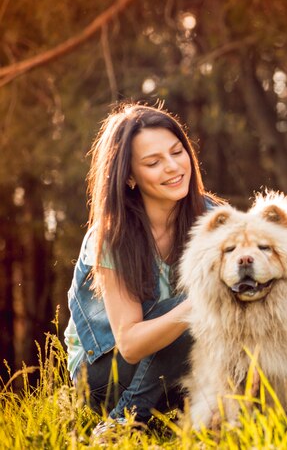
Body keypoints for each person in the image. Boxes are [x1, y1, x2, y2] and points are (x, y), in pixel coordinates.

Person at [63, 102, 222, 432]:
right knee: (197, 306)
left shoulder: (212, 216)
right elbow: (131, 345)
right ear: (130, 176)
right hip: (106, 376)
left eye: (177, 152)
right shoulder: (111, 237)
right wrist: (199, 304)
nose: (172, 167)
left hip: (179, 366)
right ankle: (122, 423)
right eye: (153, 162)